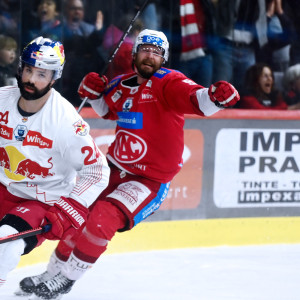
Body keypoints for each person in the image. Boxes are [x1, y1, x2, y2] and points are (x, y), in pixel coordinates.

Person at [16, 29, 240, 300]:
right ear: (134, 54)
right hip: (111, 169)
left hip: (148, 181)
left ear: (164, 58)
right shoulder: (122, 84)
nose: (150, 55)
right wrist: (94, 92)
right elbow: (106, 109)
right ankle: (51, 272)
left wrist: (216, 97)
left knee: (102, 219)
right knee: (77, 217)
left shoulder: (168, 82)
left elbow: (197, 99)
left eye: (157, 52)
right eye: (145, 49)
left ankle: (66, 279)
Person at [0, 36, 110, 288]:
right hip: (2, 186)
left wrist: (71, 207)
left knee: (7, 241)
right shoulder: (2, 98)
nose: (30, 79)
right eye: (28, 70)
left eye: (41, 74)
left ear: (54, 77)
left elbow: (97, 171)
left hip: (38, 199)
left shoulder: (65, 121)